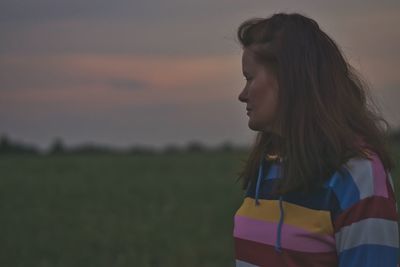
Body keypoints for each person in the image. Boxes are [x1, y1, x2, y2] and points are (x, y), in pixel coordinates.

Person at [233, 12, 399, 267]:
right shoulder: (269, 166)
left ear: (289, 79)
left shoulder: (358, 175)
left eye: (249, 78)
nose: (242, 95)